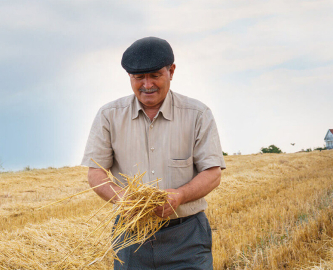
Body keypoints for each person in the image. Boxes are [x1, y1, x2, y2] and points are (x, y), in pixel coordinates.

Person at [81, 36, 226, 270]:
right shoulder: (109, 115)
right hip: (130, 235)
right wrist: (124, 199)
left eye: (155, 75)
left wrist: (179, 195)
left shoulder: (198, 114)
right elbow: (95, 173)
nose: (147, 84)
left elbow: (213, 173)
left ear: (171, 71)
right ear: (130, 77)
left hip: (186, 235)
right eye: (139, 77)